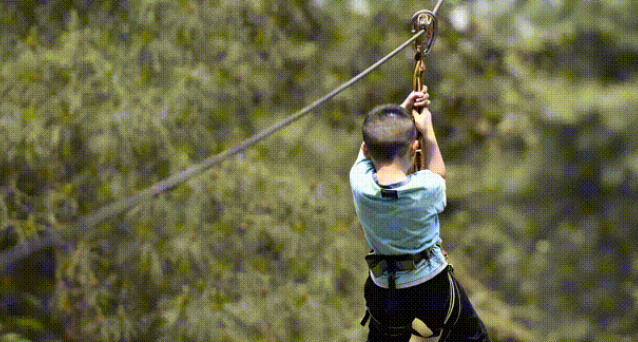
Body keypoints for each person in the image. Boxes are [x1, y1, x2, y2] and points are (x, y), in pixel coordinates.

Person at [350, 87, 491, 341]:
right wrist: (428, 132)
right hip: (431, 287)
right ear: (414, 147)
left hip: (385, 291)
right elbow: (438, 174)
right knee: (474, 337)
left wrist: (399, 114)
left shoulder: (360, 185)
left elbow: (367, 149)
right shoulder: (426, 187)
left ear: (368, 150)